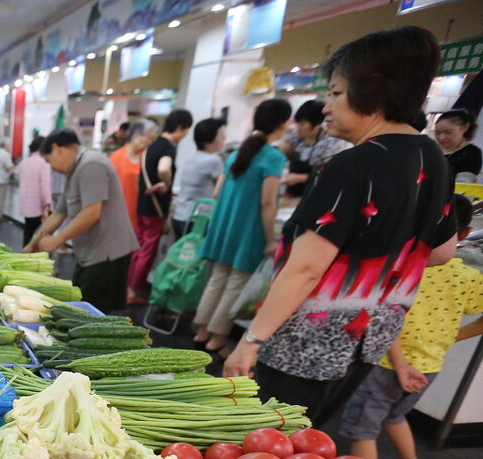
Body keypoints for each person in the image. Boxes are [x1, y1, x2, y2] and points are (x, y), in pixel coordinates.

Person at [224, 26, 458, 428]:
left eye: (334, 92)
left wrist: (250, 342)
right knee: (305, 444)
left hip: (307, 345)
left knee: (263, 444)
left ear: (373, 91)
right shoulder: (432, 156)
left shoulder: (352, 165)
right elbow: (441, 252)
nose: (325, 106)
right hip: (368, 341)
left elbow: (306, 269)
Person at [341, 195, 481, 459]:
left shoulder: (405, 267)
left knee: (362, 429)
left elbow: (384, 320)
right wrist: (451, 337)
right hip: (430, 366)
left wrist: (400, 362)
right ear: (464, 233)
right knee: (394, 415)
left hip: (388, 363)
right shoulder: (467, 275)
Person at [192, 99, 292, 357]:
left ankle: (202, 331)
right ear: (282, 123)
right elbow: (268, 202)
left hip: (225, 225)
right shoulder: (273, 157)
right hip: (250, 230)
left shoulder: (237, 154)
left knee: (217, 279)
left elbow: (216, 192)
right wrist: (271, 240)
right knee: (236, 282)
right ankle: (217, 339)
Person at [23, 128, 138, 314]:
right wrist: (32, 243)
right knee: (81, 306)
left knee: (93, 313)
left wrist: (56, 240)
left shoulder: (91, 165)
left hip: (107, 254)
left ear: (58, 148)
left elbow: (92, 213)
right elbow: (58, 214)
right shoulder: (75, 170)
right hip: (91, 253)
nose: (51, 167)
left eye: (48, 160)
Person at [129, 109, 193, 304]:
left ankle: (129, 286)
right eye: (186, 131)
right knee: (148, 249)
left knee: (138, 247)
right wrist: (166, 182)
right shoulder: (167, 148)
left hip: (142, 203)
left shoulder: (151, 146)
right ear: (180, 128)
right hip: (155, 207)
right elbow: (163, 168)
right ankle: (133, 291)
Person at [278, 100, 352, 198]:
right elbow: (282, 149)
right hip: (294, 195)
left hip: (319, 196)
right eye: (298, 123)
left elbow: (331, 175)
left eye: (303, 124)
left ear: (317, 125)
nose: (298, 127)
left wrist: (301, 178)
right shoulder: (296, 137)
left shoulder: (332, 143)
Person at [171, 118, 226, 239]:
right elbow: (219, 190)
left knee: (181, 255)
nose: (224, 140)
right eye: (222, 136)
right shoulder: (213, 160)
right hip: (197, 218)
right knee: (195, 256)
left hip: (181, 214)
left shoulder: (192, 158)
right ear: (210, 139)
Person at [109, 119, 159, 228]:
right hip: (117, 216)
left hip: (141, 217)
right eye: (148, 138)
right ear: (136, 135)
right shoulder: (115, 157)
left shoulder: (147, 158)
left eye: (152, 140)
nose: (149, 142)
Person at [18, 135, 52, 247]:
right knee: (41, 235)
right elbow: (45, 186)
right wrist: (47, 205)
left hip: (26, 205)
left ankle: (24, 256)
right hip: (38, 206)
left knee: (28, 232)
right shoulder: (44, 162)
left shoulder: (24, 162)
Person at [434, 109, 481, 182]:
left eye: (448, 132)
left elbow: (463, 183)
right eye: (438, 133)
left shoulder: (472, 153)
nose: (441, 137)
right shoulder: (431, 149)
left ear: (464, 128)